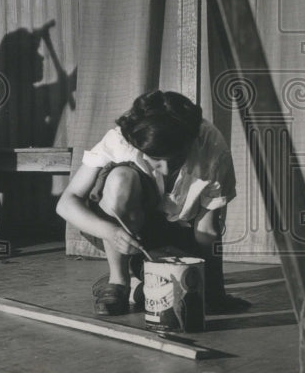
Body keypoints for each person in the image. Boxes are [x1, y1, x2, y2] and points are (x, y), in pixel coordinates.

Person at [56, 90, 239, 316]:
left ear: (190, 142)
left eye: (174, 159)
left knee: (174, 292)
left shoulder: (210, 145)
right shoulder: (121, 140)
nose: (165, 169)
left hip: (179, 233)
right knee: (120, 179)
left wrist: (213, 292)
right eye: (155, 159)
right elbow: (66, 203)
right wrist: (111, 232)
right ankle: (118, 281)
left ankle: (139, 278)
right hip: (123, 228)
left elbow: (207, 229)